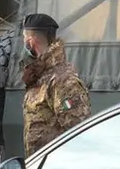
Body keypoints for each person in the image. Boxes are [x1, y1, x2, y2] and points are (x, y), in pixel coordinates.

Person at [21, 13, 91, 156]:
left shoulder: (62, 80)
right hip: (41, 165)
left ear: (31, 42)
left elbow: (78, 131)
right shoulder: (41, 75)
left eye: (24, 38)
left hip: (57, 166)